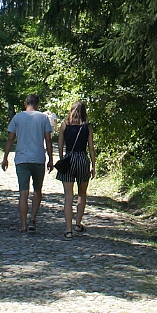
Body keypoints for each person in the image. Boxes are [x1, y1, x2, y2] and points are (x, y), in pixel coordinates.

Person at [1, 93, 54, 232]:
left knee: (23, 193)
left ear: (26, 104)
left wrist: (5, 157)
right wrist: (51, 159)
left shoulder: (17, 117)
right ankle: (33, 220)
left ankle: (23, 226)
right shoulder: (43, 117)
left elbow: (10, 139)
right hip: (38, 159)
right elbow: (48, 140)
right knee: (37, 190)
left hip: (21, 160)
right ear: (38, 105)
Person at [55, 101, 96, 239]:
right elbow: (91, 148)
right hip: (83, 160)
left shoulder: (64, 125)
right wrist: (94, 166)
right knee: (82, 194)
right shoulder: (87, 127)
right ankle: (78, 223)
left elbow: (60, 146)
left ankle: (68, 230)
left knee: (68, 196)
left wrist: (63, 160)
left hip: (69, 159)